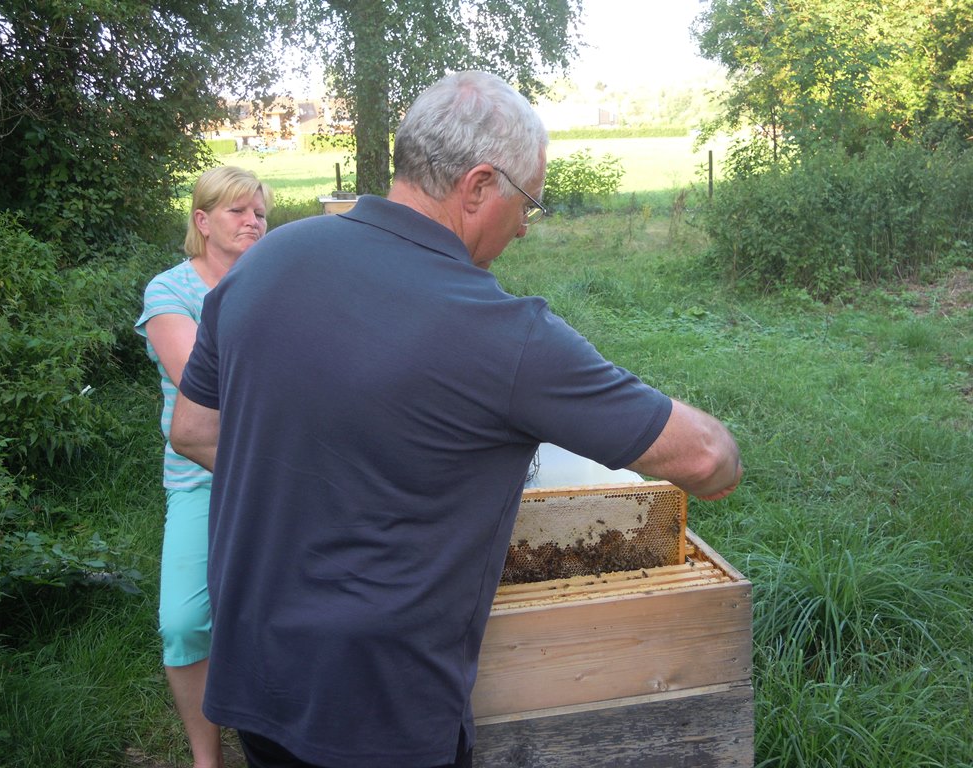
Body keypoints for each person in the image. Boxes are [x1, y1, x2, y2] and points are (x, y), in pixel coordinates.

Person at [170, 71, 742, 768]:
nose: (525, 225)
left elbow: (193, 429)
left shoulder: (267, 259)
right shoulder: (505, 334)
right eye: (527, 202)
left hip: (255, 672)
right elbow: (705, 459)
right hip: (381, 708)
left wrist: (323, 481)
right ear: (478, 186)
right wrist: (727, 450)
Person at [135, 166, 273, 768]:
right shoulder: (170, 291)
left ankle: (277, 735)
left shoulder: (276, 282)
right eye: (237, 211)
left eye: (260, 213)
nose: (252, 222)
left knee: (282, 611)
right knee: (185, 622)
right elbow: (202, 382)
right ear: (203, 221)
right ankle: (206, 755)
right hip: (204, 473)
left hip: (278, 468)